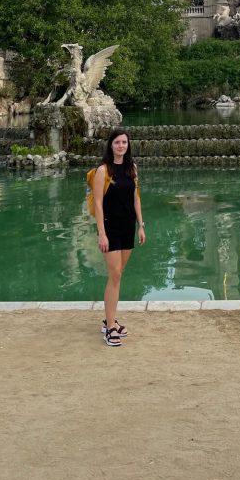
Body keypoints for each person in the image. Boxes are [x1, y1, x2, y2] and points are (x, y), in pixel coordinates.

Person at [92, 128, 146, 348]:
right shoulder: (103, 171)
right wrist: (102, 234)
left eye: (124, 142)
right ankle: (111, 327)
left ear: (128, 145)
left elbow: (136, 198)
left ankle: (109, 319)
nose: (121, 146)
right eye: (117, 142)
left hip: (128, 227)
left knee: (118, 274)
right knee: (114, 274)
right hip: (110, 229)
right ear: (111, 145)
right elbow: (97, 204)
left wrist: (141, 226)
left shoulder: (132, 168)